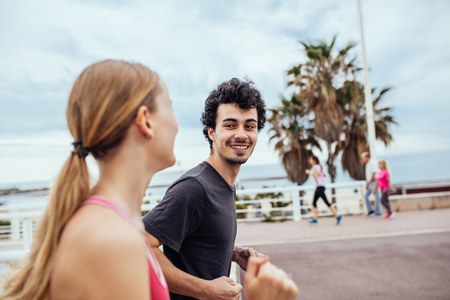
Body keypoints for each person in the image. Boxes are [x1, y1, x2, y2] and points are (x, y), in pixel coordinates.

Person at [0, 61, 297, 300]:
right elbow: (142, 246)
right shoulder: (109, 237)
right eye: (169, 106)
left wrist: (229, 251)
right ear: (145, 120)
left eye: (250, 125)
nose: (177, 122)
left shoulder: (114, 227)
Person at [142, 78, 297, 300]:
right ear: (212, 132)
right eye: (230, 125)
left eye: (250, 126)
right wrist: (205, 289)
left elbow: (196, 239)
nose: (242, 134)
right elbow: (141, 246)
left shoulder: (223, 184)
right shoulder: (194, 188)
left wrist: (234, 253)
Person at [305, 155, 342, 225]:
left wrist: (310, 172)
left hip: (319, 187)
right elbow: (324, 175)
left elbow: (315, 178)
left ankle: (337, 216)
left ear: (314, 160)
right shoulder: (319, 166)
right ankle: (315, 219)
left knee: (326, 203)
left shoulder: (315, 167)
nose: (309, 161)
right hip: (321, 187)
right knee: (314, 202)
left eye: (310, 160)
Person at [361, 152, 382, 217]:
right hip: (370, 183)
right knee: (365, 196)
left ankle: (378, 212)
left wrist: (369, 183)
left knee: (376, 197)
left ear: (367, 157)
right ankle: (370, 210)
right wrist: (368, 184)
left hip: (374, 182)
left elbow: (373, 175)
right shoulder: (367, 164)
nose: (362, 159)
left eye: (363, 158)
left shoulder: (373, 163)